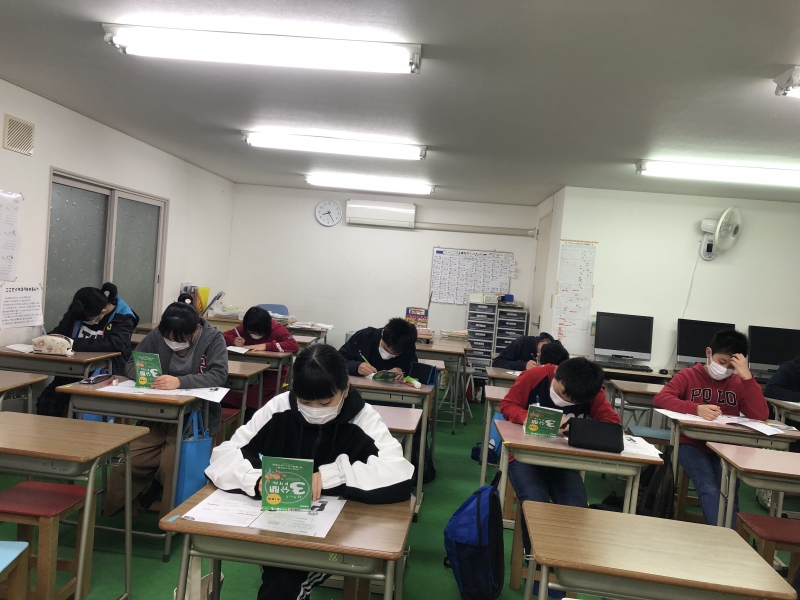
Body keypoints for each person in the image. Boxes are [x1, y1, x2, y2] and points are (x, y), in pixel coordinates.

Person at [206, 344, 413, 600]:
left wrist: (332, 476)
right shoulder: (279, 407)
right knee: (280, 577)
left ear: (346, 388)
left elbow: (399, 471)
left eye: (325, 402)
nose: (315, 410)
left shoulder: (363, 418)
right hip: (278, 524)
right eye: (304, 402)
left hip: (337, 533)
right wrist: (256, 480)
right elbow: (226, 454)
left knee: (282, 583)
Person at [102, 301, 228, 518]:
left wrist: (180, 382)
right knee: (127, 461)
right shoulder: (159, 335)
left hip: (195, 420)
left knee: (173, 466)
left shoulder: (213, 338)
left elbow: (219, 374)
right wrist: (147, 377)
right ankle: (121, 510)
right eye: (168, 337)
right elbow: (131, 364)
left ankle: (171, 519)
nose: (172, 342)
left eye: (179, 339)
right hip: (157, 417)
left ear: (194, 330)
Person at [500, 357, 619, 551]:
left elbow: (612, 424)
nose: (567, 401)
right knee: (535, 503)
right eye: (563, 394)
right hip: (525, 458)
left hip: (564, 463)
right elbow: (507, 405)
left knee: (576, 508)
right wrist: (528, 417)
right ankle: (534, 560)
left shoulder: (590, 391)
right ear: (557, 375)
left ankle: (563, 559)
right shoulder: (535, 376)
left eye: (574, 401)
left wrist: (575, 427)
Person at [653, 329, 767, 527]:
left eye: (731, 366)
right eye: (721, 362)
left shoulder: (739, 382)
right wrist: (695, 408)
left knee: (729, 492)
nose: (725, 369)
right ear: (708, 352)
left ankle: (729, 536)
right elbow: (661, 398)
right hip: (691, 444)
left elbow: (760, 415)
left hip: (725, 447)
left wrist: (748, 378)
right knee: (709, 488)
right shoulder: (688, 375)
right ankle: (725, 539)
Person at [36, 282, 138, 417]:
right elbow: (61, 331)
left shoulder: (123, 317)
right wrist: (49, 340)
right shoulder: (79, 310)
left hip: (106, 373)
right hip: (73, 370)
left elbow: (115, 343)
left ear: (102, 312)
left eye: (89, 319)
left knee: (82, 405)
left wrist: (71, 343)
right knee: (47, 402)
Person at [220, 306, 299, 422]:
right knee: (229, 393)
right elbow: (222, 336)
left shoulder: (278, 330)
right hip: (247, 371)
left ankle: (250, 422)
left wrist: (267, 346)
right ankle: (229, 421)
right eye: (250, 332)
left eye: (256, 332)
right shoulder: (246, 328)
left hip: (269, 376)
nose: (253, 334)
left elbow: (294, 345)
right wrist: (233, 340)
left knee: (254, 395)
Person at [339, 317, 418, 381]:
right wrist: (356, 367)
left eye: (394, 354)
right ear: (382, 333)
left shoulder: (407, 346)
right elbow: (338, 360)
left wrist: (402, 371)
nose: (387, 354)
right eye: (385, 348)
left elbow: (415, 369)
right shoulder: (364, 337)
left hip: (391, 392)